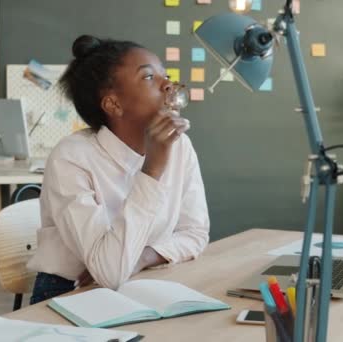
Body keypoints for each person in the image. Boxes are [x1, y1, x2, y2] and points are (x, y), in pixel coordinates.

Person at [27, 35, 210, 304]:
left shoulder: (180, 146)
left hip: (146, 275)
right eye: (149, 77)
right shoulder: (71, 158)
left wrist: (143, 257)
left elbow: (195, 233)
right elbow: (109, 273)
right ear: (113, 104)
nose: (168, 84)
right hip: (71, 291)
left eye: (165, 75)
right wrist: (153, 168)